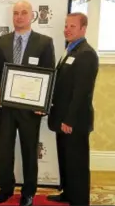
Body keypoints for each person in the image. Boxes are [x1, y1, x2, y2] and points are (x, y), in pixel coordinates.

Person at [0, 0, 56, 206]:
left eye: (24, 12)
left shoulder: (44, 42)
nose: (19, 16)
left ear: (32, 16)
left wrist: (43, 104)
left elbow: (49, 75)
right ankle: (5, 188)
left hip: (30, 110)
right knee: (5, 150)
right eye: (16, 13)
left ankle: (28, 192)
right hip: (6, 108)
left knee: (29, 151)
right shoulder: (0, 42)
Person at [47, 13, 98, 206]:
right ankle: (68, 193)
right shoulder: (70, 49)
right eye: (66, 26)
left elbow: (81, 92)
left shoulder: (86, 53)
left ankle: (80, 200)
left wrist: (69, 120)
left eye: (72, 26)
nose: (67, 29)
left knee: (77, 162)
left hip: (74, 121)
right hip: (62, 118)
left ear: (83, 29)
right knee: (66, 159)